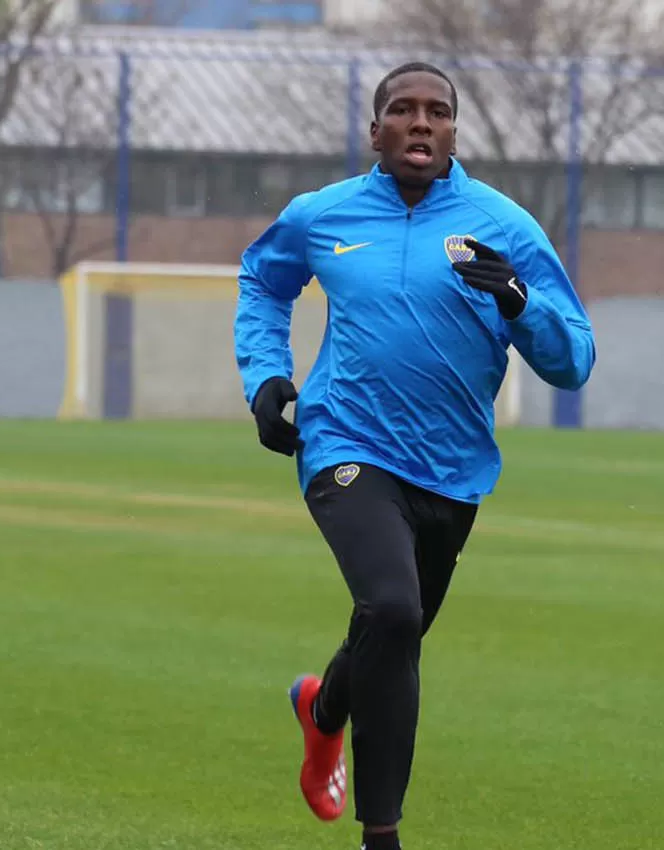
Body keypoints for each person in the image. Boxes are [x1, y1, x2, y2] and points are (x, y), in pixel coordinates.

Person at [233, 62, 595, 850]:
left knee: (391, 630)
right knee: (393, 610)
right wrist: (266, 376)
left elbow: (574, 361)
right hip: (345, 445)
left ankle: (323, 709)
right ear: (376, 131)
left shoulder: (504, 226)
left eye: (437, 112)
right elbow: (263, 282)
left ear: (455, 132)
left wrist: (520, 304)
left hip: (452, 469)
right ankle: (382, 836)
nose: (420, 123)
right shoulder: (321, 214)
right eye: (403, 110)